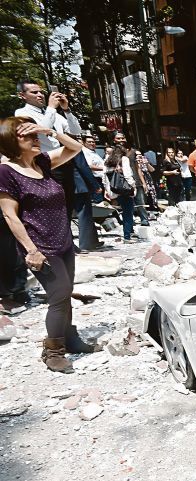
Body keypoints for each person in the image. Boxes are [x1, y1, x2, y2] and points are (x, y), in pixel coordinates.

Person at [0, 116, 96, 372]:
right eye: (28, 135)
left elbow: (75, 149)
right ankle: (52, 350)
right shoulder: (6, 172)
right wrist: (31, 250)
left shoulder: (42, 163)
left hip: (63, 240)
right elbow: (10, 215)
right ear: (11, 140)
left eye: (36, 135)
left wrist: (49, 131)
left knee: (65, 293)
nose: (35, 139)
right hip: (40, 247)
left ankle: (71, 338)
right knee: (59, 294)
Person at [14, 81, 82, 224]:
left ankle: (67, 239)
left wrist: (67, 109)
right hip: (44, 163)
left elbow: (75, 131)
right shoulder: (21, 113)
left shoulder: (53, 114)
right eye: (34, 92)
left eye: (41, 92)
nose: (40, 95)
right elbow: (40, 133)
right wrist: (51, 108)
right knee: (53, 207)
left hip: (64, 162)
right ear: (22, 95)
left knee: (68, 204)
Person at [105, 135, 143, 242]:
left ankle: (130, 231)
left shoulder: (108, 161)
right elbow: (127, 175)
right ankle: (127, 236)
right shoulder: (124, 159)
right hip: (125, 189)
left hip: (115, 189)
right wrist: (133, 185)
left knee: (126, 211)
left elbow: (105, 177)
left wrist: (107, 190)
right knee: (128, 212)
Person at [71, 137, 104, 250]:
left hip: (67, 186)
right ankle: (85, 244)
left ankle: (93, 241)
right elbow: (83, 167)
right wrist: (95, 185)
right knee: (84, 215)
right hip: (79, 186)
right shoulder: (74, 148)